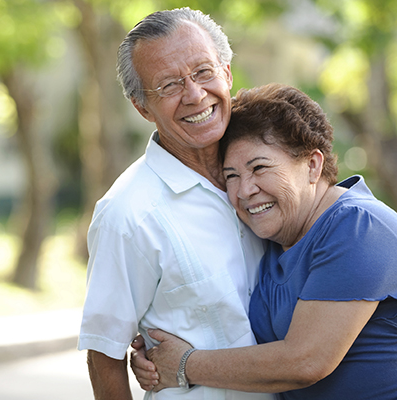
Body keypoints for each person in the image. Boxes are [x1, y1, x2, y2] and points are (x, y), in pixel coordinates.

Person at [131, 83, 397, 399]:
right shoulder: (275, 238)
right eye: (231, 176)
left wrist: (184, 365)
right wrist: (154, 348)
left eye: (259, 168)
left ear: (313, 165)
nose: (245, 190)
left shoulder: (359, 226)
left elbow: (305, 361)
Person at [78, 7, 273, 400]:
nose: (195, 95)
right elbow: (104, 354)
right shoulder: (128, 214)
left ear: (227, 74)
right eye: (168, 85)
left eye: (204, 72)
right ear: (141, 107)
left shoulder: (268, 174)